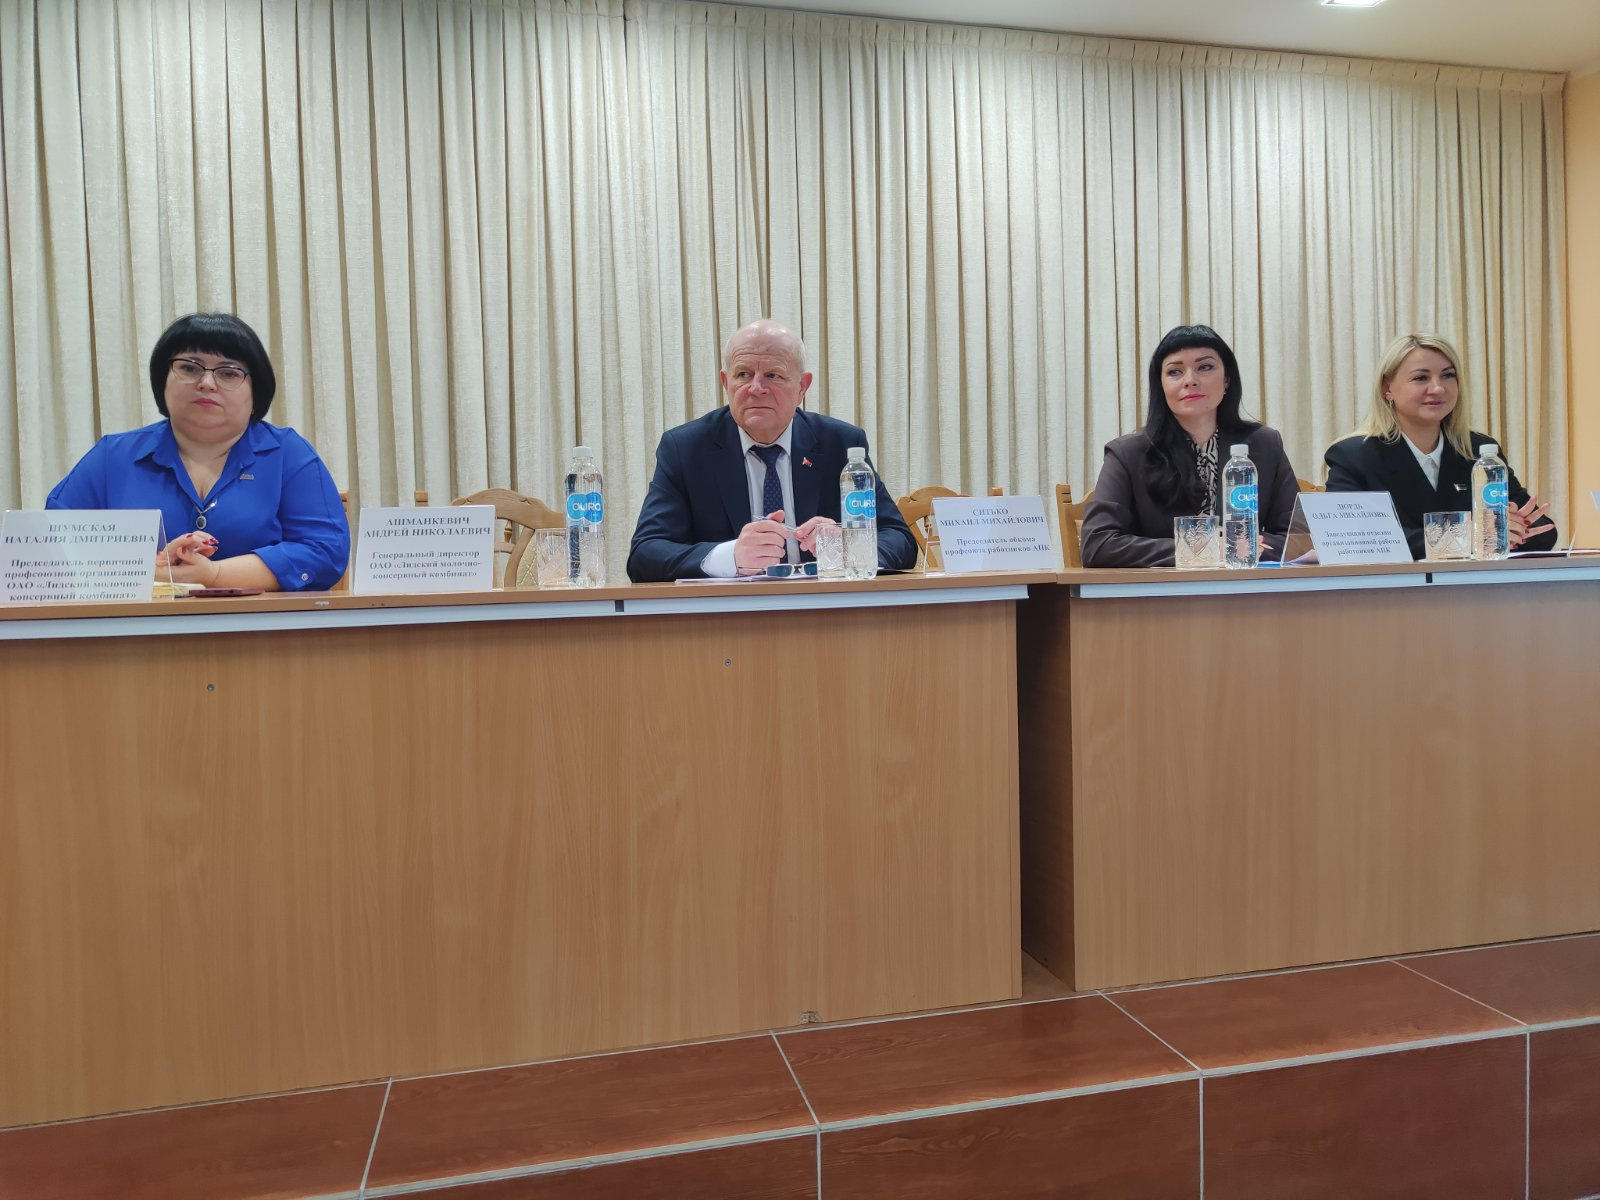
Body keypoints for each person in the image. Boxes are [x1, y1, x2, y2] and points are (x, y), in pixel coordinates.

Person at [47, 312, 350, 591]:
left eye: (228, 373)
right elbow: (52, 547)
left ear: (256, 391)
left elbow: (324, 552)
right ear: (162, 381)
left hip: (262, 628)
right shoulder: (113, 457)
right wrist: (149, 569)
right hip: (135, 628)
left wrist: (214, 575)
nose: (206, 383)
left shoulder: (288, 455)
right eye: (189, 368)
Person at [627, 318, 917, 582]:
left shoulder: (840, 444)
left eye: (773, 375)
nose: (756, 388)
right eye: (743, 374)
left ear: (802, 387)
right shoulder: (686, 449)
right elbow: (645, 554)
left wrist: (849, 547)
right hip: (726, 616)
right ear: (726, 382)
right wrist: (730, 556)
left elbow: (899, 540)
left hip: (823, 611)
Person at [1080, 325, 1300, 568]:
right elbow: (1097, 544)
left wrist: (1241, 547)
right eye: (1175, 372)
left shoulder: (1265, 444)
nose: (1190, 381)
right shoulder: (1127, 454)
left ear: (1227, 379)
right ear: (1161, 386)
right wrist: (1204, 549)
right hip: (1161, 590)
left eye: (1204, 367)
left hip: (1247, 588)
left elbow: (1300, 539)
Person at [1324, 333, 1556, 559]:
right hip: (1392, 584)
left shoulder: (1479, 450)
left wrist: (1511, 528)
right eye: (1420, 378)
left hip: (1478, 583)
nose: (1437, 388)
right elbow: (1353, 539)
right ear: (1387, 388)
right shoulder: (1353, 455)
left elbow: (1542, 531)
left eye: (1447, 375)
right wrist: (1469, 536)